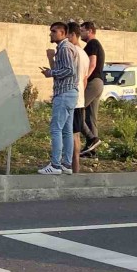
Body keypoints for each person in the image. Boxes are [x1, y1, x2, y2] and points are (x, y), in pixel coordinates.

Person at [39, 22, 78, 175]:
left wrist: (51, 73)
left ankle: (55, 165)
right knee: (67, 130)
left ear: (63, 33)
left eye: (54, 31)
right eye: (51, 31)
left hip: (64, 93)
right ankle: (66, 165)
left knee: (56, 129)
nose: (51, 34)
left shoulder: (64, 48)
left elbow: (69, 70)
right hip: (70, 93)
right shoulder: (67, 48)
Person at [65, 22, 90, 173]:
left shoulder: (72, 52)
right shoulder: (84, 54)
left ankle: (72, 167)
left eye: (66, 34)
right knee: (76, 135)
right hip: (79, 98)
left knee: (70, 134)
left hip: (71, 98)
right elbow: (85, 79)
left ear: (72, 35)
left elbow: (64, 74)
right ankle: (75, 168)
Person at [81, 21, 105, 156]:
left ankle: (92, 138)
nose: (81, 33)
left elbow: (92, 63)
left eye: (82, 30)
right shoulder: (95, 44)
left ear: (90, 31)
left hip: (93, 82)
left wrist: (84, 78)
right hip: (99, 83)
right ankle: (91, 150)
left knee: (76, 110)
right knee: (91, 118)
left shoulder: (92, 44)